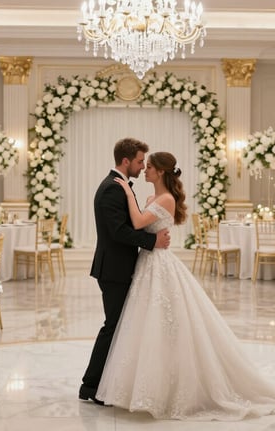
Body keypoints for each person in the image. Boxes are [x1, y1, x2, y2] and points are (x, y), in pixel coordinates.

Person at [95, 151, 275, 420]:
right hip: (146, 263)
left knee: (166, 323)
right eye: (144, 165)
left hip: (159, 264)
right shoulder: (148, 197)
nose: (145, 170)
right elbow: (141, 227)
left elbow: (137, 222)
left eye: (150, 167)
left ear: (161, 172)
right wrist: (133, 197)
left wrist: (127, 193)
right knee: (145, 324)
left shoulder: (165, 199)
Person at [80, 138, 171, 405]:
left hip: (121, 268)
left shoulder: (120, 187)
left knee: (120, 327)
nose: (143, 167)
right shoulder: (112, 189)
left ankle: (107, 384)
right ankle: (90, 386)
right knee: (113, 327)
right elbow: (119, 232)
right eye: (141, 161)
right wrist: (153, 242)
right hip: (114, 270)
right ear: (126, 161)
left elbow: (132, 224)